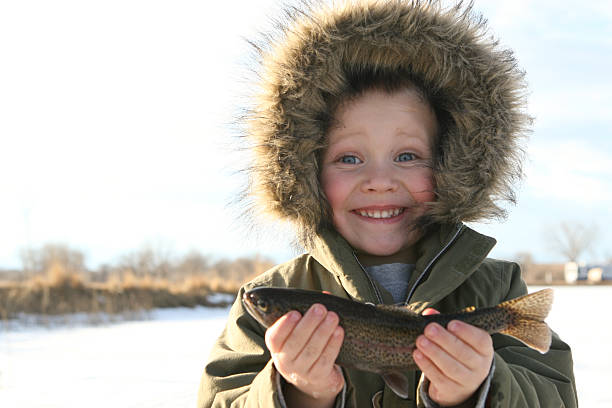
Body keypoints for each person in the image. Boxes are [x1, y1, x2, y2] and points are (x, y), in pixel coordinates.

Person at [197, 1, 578, 407]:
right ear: (307, 172)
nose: (379, 182)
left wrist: (478, 391)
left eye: (407, 156)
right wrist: (296, 393)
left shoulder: (497, 289)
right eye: (349, 159)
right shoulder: (267, 296)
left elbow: (553, 396)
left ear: (452, 166)